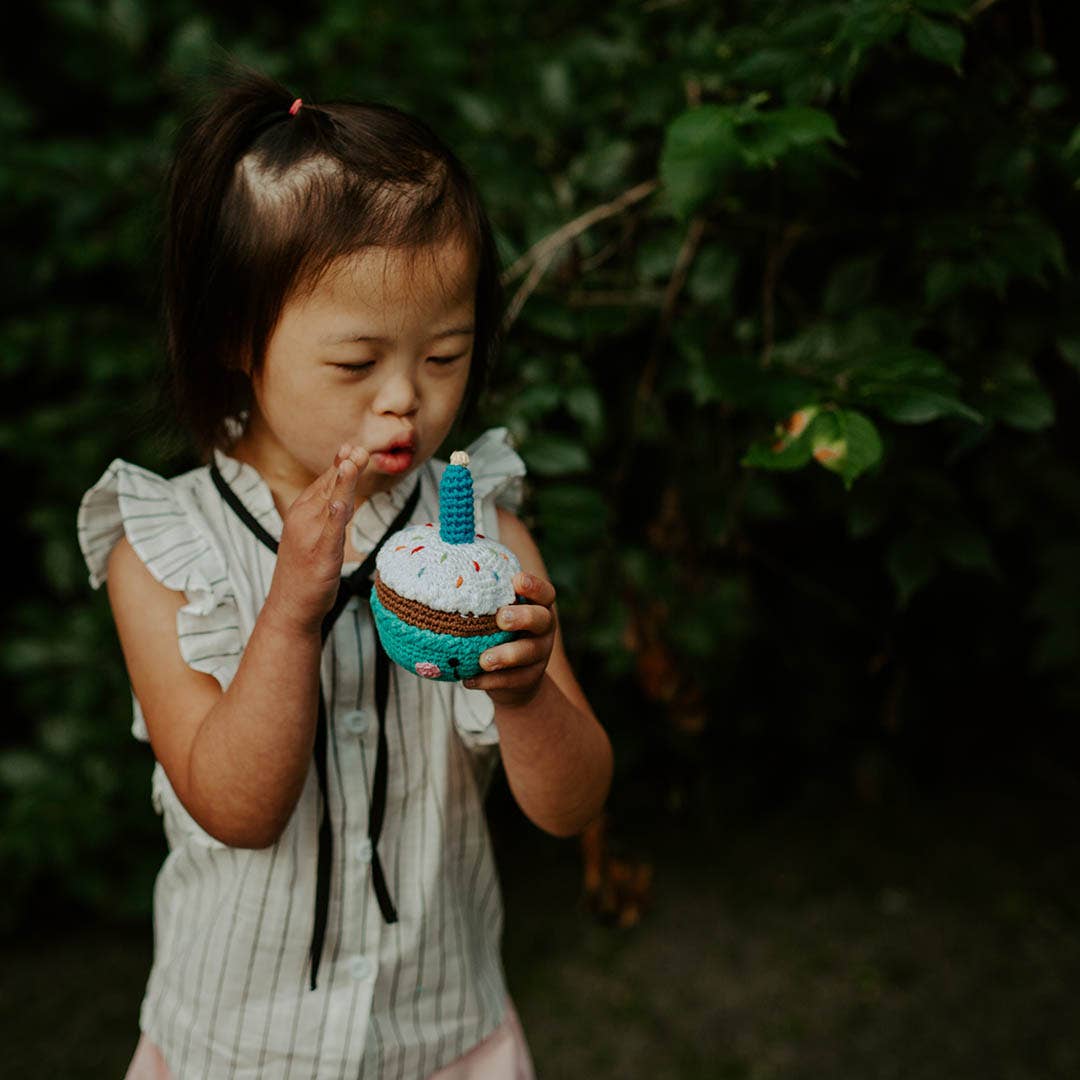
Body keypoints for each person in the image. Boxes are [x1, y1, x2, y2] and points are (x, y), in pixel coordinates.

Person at [76, 65, 613, 1079]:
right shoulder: (163, 548)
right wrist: (288, 613)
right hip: (236, 1047)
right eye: (356, 363)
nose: (404, 400)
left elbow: (573, 805)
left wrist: (527, 691)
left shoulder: (485, 536)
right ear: (239, 338)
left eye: (445, 355)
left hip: (442, 1035)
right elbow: (237, 808)